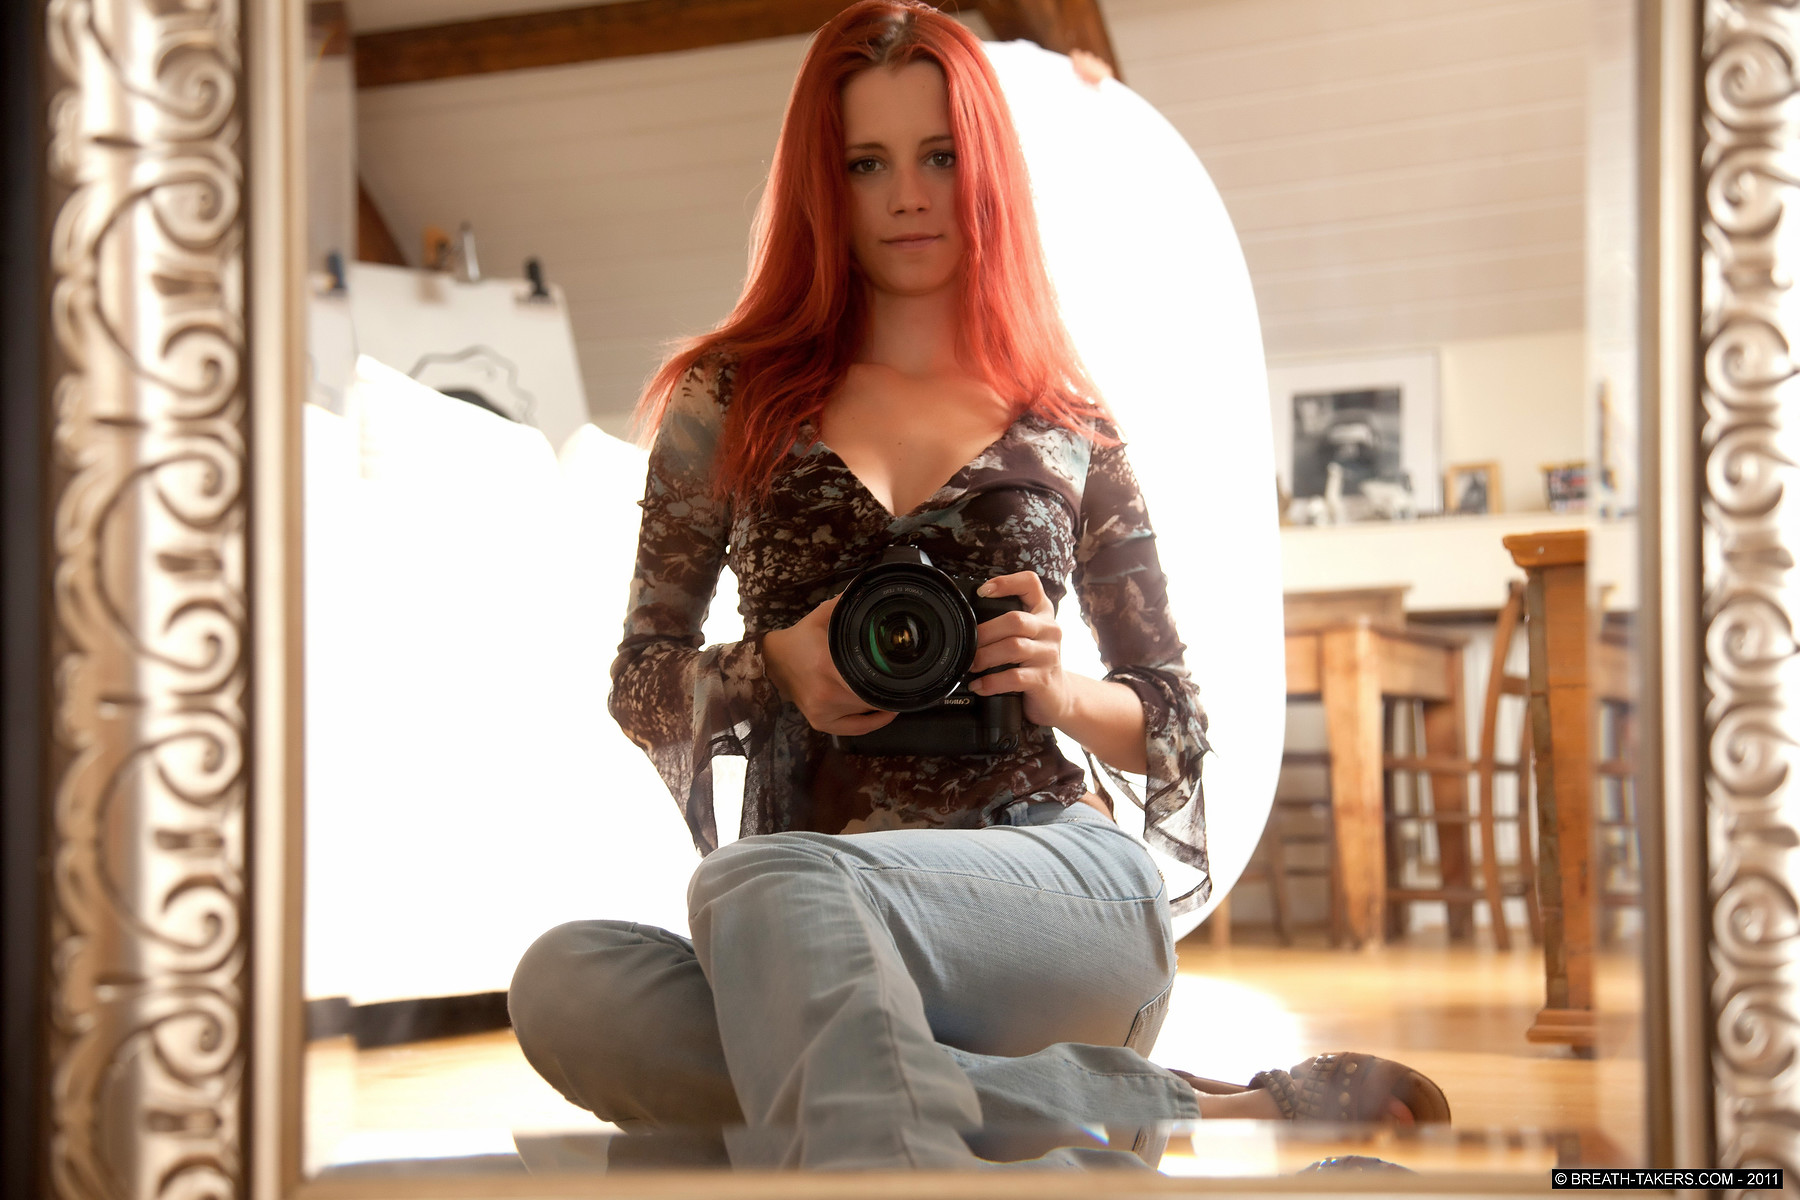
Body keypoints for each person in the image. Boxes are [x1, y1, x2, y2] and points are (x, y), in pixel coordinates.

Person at [508, 0, 1449, 1171]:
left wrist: (1062, 691)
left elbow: (1174, 720)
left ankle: (866, 1133)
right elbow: (641, 681)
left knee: (763, 894)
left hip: (1049, 883)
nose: (908, 196)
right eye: (867, 163)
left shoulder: (1066, 418)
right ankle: (1146, 1124)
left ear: (986, 167)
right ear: (822, 184)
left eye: (941, 156)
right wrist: (777, 666)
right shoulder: (726, 399)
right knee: (567, 982)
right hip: (808, 927)